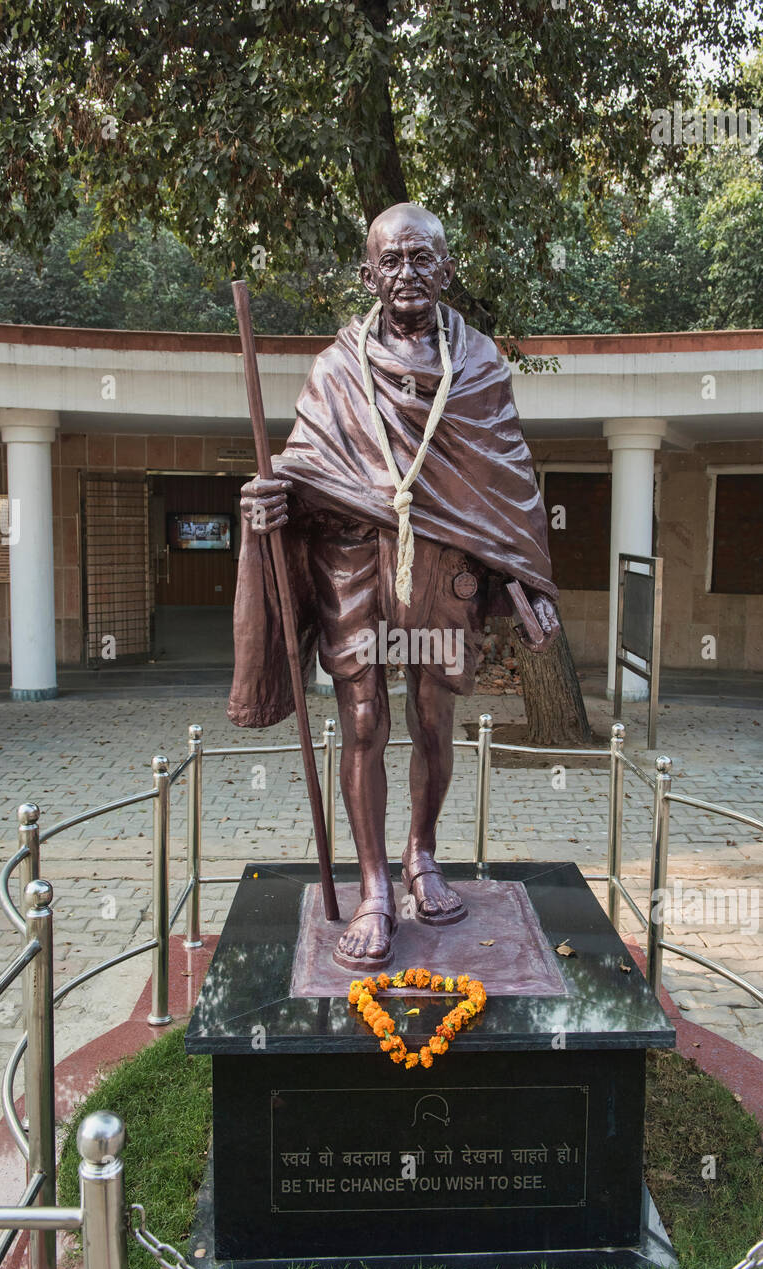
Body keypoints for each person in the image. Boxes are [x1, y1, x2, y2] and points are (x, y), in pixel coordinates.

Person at [231, 203, 558, 968]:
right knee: (365, 721)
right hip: (352, 567)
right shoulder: (335, 368)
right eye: (391, 261)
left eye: (422, 260)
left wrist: (526, 580)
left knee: (434, 719)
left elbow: (505, 484)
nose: (406, 274)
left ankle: (421, 857)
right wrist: (270, 500)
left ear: (446, 270)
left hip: (443, 568)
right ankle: (375, 888)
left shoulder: (477, 365)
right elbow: (307, 470)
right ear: (367, 273)